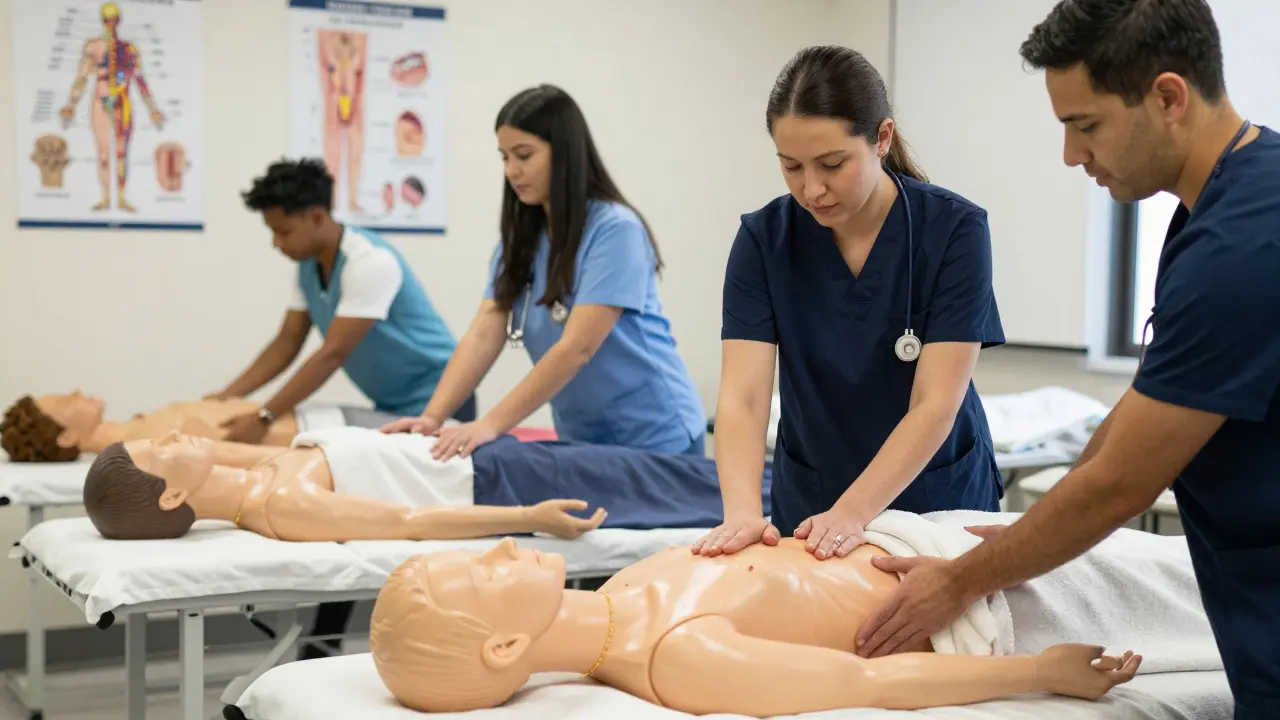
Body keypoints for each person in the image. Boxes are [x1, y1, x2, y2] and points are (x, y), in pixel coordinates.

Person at [853, 4, 1280, 718]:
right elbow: (1143, 409)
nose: (1071, 154)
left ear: (1168, 97)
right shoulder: (1225, 204)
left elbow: (1120, 485)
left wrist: (957, 583)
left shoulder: (1242, 248)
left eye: (1085, 125)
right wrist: (1025, 537)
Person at [369, 523, 1236, 715]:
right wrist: (1039, 672)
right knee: (1225, 581)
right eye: (484, 574)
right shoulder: (679, 658)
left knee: (1216, 553)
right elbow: (872, 681)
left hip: (936, 541)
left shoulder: (627, 584)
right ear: (506, 645)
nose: (499, 549)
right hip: (993, 601)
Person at [693, 46, 1005, 563]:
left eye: (832, 164)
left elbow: (935, 404)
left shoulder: (955, 231)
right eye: (791, 166)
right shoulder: (764, 240)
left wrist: (853, 513)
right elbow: (744, 397)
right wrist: (742, 512)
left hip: (935, 503)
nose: (812, 189)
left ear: (882, 138)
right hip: (813, 503)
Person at [381, 85, 706, 461]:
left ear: (565, 152)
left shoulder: (615, 230)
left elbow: (576, 348)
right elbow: (484, 334)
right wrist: (432, 417)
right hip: (582, 437)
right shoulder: (520, 242)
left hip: (656, 433)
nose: (511, 171)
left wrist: (489, 425)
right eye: (504, 157)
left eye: (524, 155)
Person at [80, 427, 772, 540]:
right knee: (685, 487)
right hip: (500, 482)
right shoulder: (280, 503)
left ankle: (806, 485)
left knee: (676, 472)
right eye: (162, 450)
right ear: (173, 496)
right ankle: (812, 502)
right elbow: (409, 524)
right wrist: (529, 517)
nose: (176, 436)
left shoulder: (259, 469)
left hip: (490, 454)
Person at [209, 159, 471, 445]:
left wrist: (264, 417)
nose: (277, 244)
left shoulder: (369, 262)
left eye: (284, 232)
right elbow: (287, 342)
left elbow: (332, 354)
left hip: (443, 399)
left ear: (317, 217)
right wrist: (226, 397)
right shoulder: (308, 266)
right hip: (392, 404)